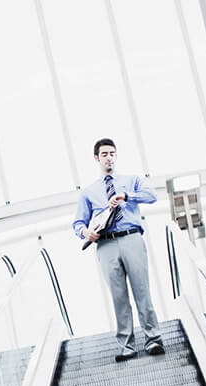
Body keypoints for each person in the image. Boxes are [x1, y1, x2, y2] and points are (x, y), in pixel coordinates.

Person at [73, 138, 165, 361]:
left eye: (112, 153)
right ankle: (127, 347)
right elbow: (78, 224)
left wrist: (127, 196)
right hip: (105, 244)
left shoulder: (131, 181)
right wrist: (86, 233)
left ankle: (153, 339)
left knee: (142, 289)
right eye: (104, 154)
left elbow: (152, 196)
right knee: (118, 296)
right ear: (97, 158)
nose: (109, 158)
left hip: (131, 238)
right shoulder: (88, 192)